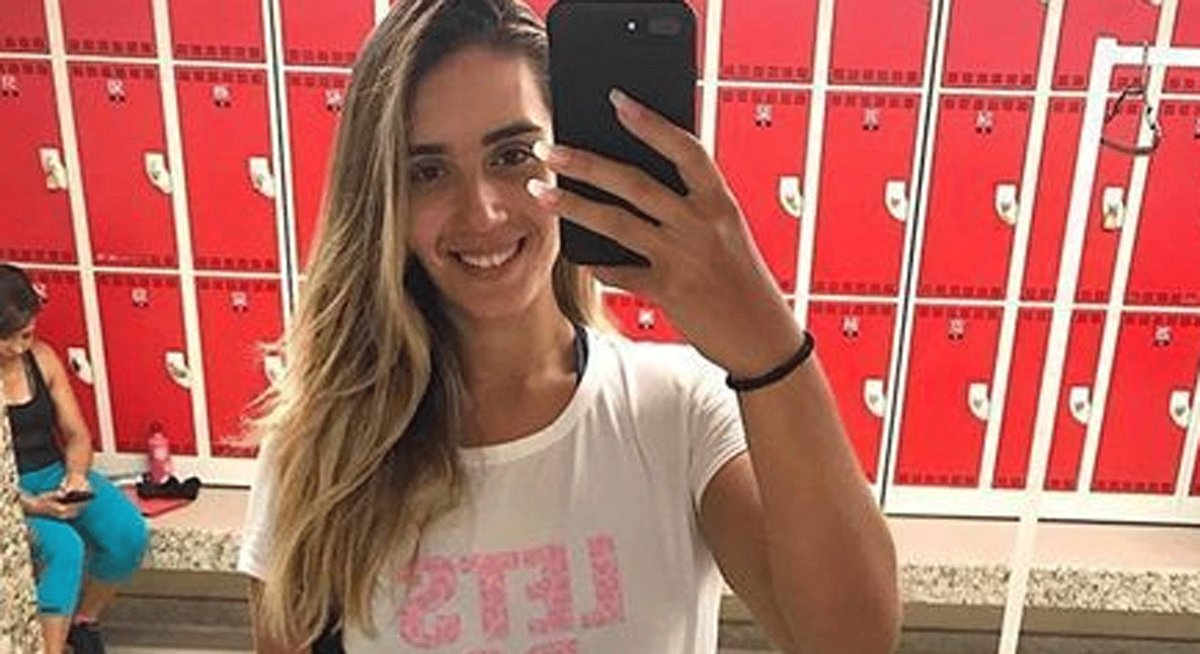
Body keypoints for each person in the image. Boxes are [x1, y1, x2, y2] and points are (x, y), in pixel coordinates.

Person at [237, 1, 900, 652]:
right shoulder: (321, 451)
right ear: (383, 198)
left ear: (569, 158)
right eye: (428, 172)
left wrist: (767, 345)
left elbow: (851, 641)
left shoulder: (678, 413)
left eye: (512, 155)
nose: (483, 212)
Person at [0, 263, 150, 654]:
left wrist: (76, 476)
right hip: (8, 495)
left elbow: (77, 435)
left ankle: (83, 622)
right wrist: (34, 505)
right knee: (64, 547)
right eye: (6, 340)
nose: (18, 348)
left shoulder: (42, 359)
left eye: (25, 335)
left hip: (53, 474)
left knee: (128, 534)